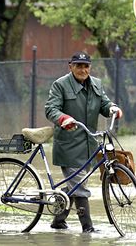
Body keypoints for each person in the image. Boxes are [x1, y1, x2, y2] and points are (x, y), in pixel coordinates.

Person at [45, 51, 123, 233]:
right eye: (78, 65)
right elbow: (51, 109)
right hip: (69, 145)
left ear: (90, 67)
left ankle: (58, 220)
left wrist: (112, 108)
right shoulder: (60, 85)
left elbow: (104, 104)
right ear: (70, 66)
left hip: (90, 144)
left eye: (85, 66)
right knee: (79, 185)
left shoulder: (96, 84)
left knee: (76, 183)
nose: (82, 69)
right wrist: (63, 118)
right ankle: (87, 227)